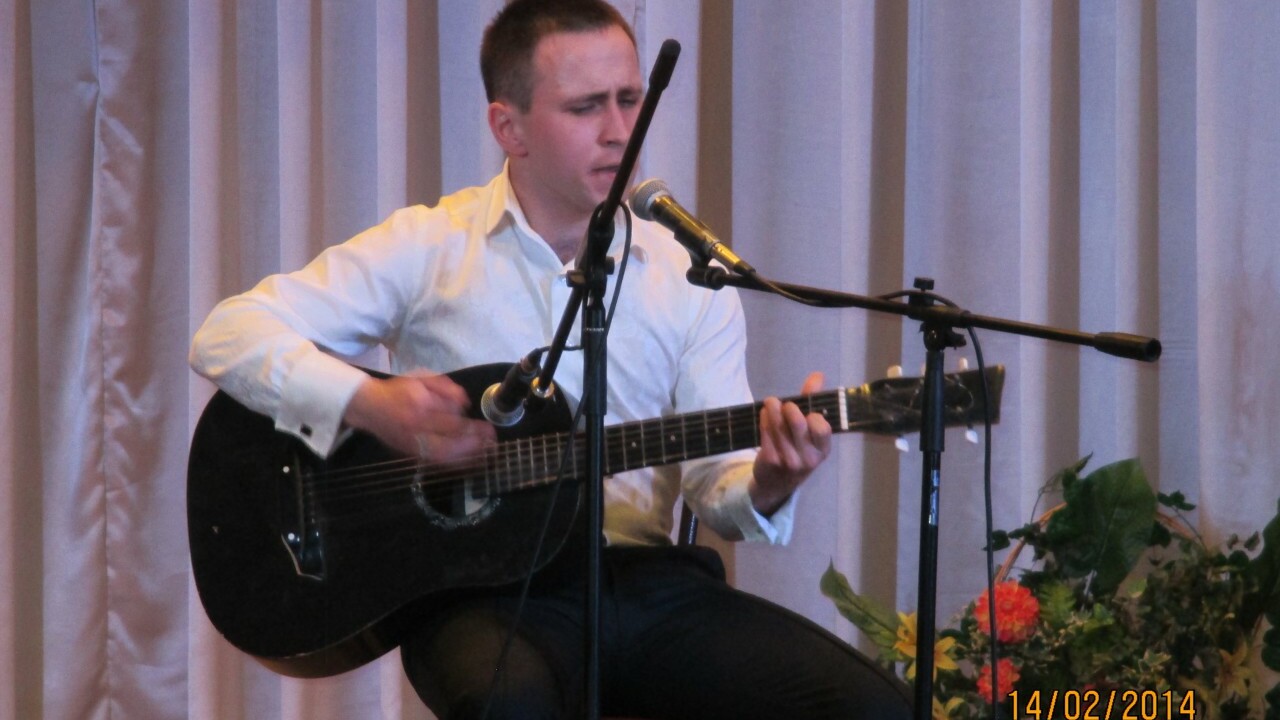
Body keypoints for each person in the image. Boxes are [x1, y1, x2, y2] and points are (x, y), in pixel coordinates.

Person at [190, 0, 912, 717]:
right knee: (511, 704)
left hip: (647, 586)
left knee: (873, 708)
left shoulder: (690, 277)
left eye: (629, 99)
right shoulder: (431, 246)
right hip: (483, 597)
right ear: (509, 127)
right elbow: (227, 333)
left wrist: (770, 481)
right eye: (585, 107)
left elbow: (716, 493)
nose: (619, 130)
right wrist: (367, 403)